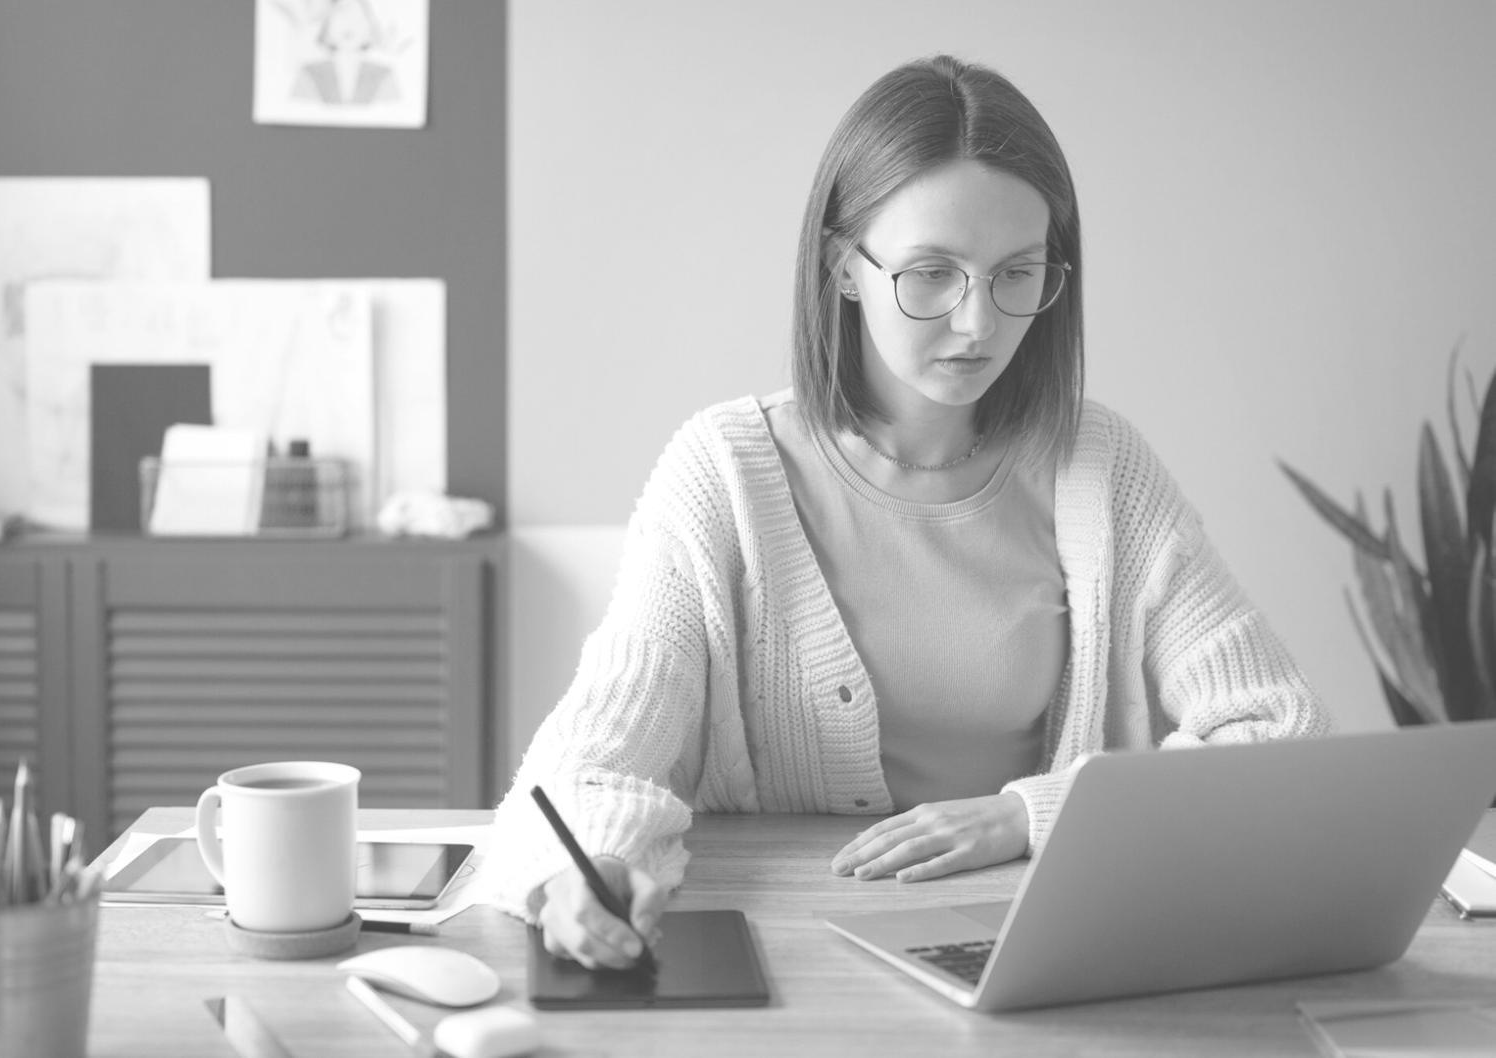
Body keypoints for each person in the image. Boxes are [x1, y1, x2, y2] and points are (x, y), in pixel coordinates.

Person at [478, 55, 1329, 970]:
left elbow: (1280, 734)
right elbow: (593, 753)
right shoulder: (723, 472)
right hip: (794, 957)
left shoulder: (1100, 467)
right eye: (931, 274)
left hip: (1036, 956)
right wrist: (587, 869)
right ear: (845, 266)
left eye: (1018, 274)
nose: (977, 323)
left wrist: (1028, 814)